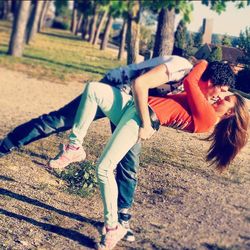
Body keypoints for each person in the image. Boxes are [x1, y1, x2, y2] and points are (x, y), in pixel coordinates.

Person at [48, 60, 249, 249]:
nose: (221, 96)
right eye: (223, 92)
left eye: (226, 98)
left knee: (103, 169)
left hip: (141, 119)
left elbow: (190, 81)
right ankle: (75, 147)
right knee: (93, 89)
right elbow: (194, 88)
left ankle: (112, 227)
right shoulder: (204, 105)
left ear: (230, 113)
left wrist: (205, 63)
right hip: (135, 105)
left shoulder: (208, 117)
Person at [0, 55, 193, 241]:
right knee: (57, 121)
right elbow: (140, 83)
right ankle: (6, 146)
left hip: (132, 107)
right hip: (115, 88)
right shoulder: (181, 66)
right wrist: (146, 123)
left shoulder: (191, 90)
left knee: (129, 160)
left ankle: (122, 219)